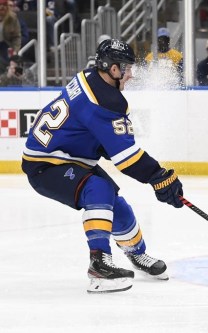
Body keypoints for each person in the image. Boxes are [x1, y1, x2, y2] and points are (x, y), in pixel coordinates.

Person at [21, 39, 184, 294]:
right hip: (47, 163)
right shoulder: (106, 100)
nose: (130, 74)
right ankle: (99, 266)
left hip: (67, 155)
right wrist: (158, 176)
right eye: (126, 68)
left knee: (115, 202)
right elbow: (126, 158)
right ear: (112, 68)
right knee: (97, 188)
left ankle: (136, 253)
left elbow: (94, 133)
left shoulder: (89, 77)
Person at [0, 0, 21, 69]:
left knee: (14, 63)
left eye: (4, 6)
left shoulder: (12, 18)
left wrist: (15, 51)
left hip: (6, 45)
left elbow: (16, 37)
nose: (2, 8)